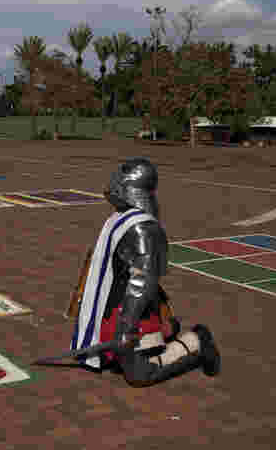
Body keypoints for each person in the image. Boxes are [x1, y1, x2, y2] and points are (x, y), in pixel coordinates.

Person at [71, 158, 221, 386]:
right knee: (114, 360)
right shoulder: (120, 218)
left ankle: (197, 341)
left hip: (133, 312)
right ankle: (166, 331)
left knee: (139, 374)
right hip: (115, 306)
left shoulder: (143, 229)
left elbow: (142, 282)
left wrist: (126, 329)